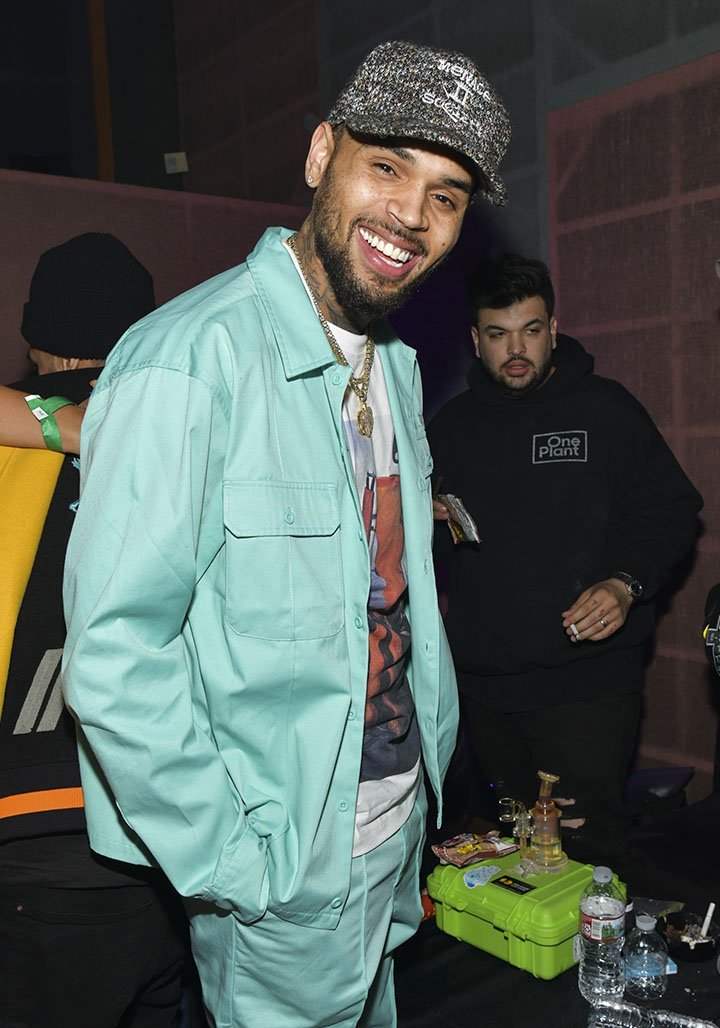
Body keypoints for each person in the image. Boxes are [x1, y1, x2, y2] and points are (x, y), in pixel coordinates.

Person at [62, 41, 511, 1027]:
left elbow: (387, 593)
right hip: (282, 862)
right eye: (385, 166)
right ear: (319, 156)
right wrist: (235, 863)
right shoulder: (184, 359)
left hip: (396, 834)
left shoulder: (392, 366)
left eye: (446, 194)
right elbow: (113, 653)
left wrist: (426, 790)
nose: (410, 214)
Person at [428, 253, 702, 868]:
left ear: (553, 328)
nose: (515, 349)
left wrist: (626, 582)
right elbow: (422, 549)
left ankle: (592, 964)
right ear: (476, 341)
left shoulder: (607, 410)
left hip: (590, 683)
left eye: (530, 330)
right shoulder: (448, 429)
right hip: (487, 689)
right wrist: (429, 521)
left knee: (582, 852)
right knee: (509, 856)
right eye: (498, 335)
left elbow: (674, 509)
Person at [0, 232, 188, 1028]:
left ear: (33, 337)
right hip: (177, 835)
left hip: (32, 842)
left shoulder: (20, 433)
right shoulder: (182, 446)